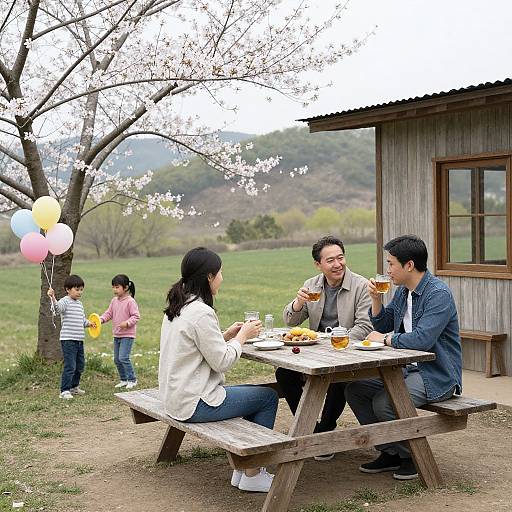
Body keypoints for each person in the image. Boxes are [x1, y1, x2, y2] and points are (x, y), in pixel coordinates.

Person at [158, 247, 279, 493]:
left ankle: (243, 470)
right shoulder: (202, 311)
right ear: (209, 277)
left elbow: (193, 349)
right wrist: (243, 336)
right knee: (268, 397)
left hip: (176, 397)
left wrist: (225, 335)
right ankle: (253, 473)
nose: (222, 277)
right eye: (220, 272)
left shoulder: (179, 305)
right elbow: (222, 362)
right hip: (196, 402)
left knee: (253, 395)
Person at [345, 235, 462, 480]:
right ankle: (390, 451)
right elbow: (385, 322)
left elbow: (422, 340)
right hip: (406, 369)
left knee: (384, 402)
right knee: (355, 389)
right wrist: (376, 300)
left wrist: (386, 339)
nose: (387, 271)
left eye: (391, 264)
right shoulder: (403, 292)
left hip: (436, 374)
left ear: (409, 265)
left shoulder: (437, 294)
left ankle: (411, 456)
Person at [277, 235, 372, 460]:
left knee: (339, 376)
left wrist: (338, 342)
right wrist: (298, 303)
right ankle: (309, 427)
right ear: (318, 264)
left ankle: (326, 429)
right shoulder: (312, 285)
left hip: (345, 352)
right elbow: (290, 321)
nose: (338, 264)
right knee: (284, 374)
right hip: (315, 352)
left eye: (340, 258)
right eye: (330, 260)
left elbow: (365, 326)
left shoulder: (360, 286)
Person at [47, 275, 93, 400]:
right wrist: (52, 297)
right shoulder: (65, 301)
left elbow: (81, 320)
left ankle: (74, 387)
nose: (80, 292)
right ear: (68, 289)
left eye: (81, 289)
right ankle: (64, 390)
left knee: (80, 365)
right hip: (68, 340)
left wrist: (89, 323)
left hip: (79, 340)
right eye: (77, 289)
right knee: (70, 366)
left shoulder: (80, 304)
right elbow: (56, 310)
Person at [100, 274, 141, 390]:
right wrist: (100, 320)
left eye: (117, 287)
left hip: (127, 335)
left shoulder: (130, 301)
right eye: (113, 287)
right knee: (117, 359)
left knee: (123, 357)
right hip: (117, 334)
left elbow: (136, 316)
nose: (114, 290)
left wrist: (127, 323)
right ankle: (123, 379)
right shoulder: (114, 301)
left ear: (126, 287)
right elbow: (109, 314)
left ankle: (132, 379)